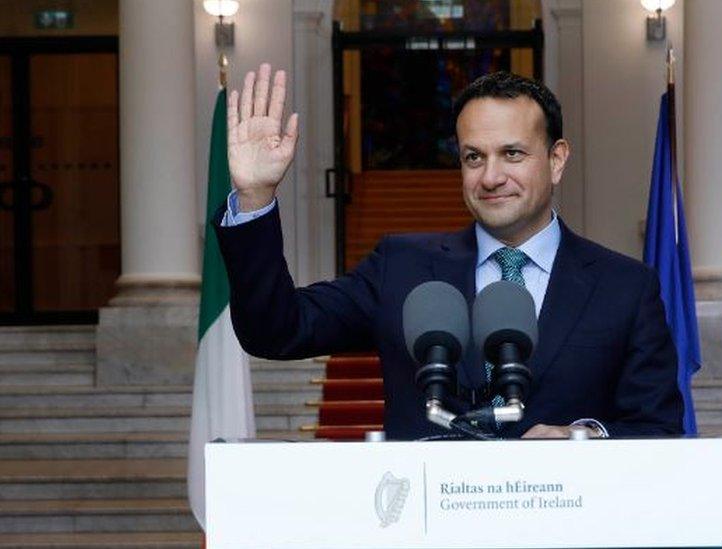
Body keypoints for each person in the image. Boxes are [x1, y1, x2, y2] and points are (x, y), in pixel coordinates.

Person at [214, 64, 683, 440]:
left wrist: (585, 437)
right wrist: (255, 196)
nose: (491, 176)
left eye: (513, 154)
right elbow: (276, 331)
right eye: (473, 157)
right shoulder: (401, 267)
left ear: (557, 159)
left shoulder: (625, 286)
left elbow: (658, 430)